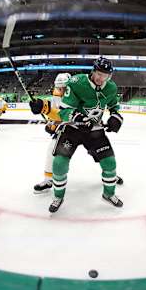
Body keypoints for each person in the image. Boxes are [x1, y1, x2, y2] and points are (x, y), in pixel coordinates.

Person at [29, 57, 124, 213]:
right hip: (72, 129)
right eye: (99, 74)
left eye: (105, 75)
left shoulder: (111, 88)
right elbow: (65, 109)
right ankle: (58, 196)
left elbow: (114, 106)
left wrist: (116, 118)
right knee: (59, 164)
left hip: (94, 130)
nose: (101, 78)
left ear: (109, 76)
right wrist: (77, 117)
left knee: (110, 163)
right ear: (93, 71)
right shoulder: (76, 82)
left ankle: (108, 194)